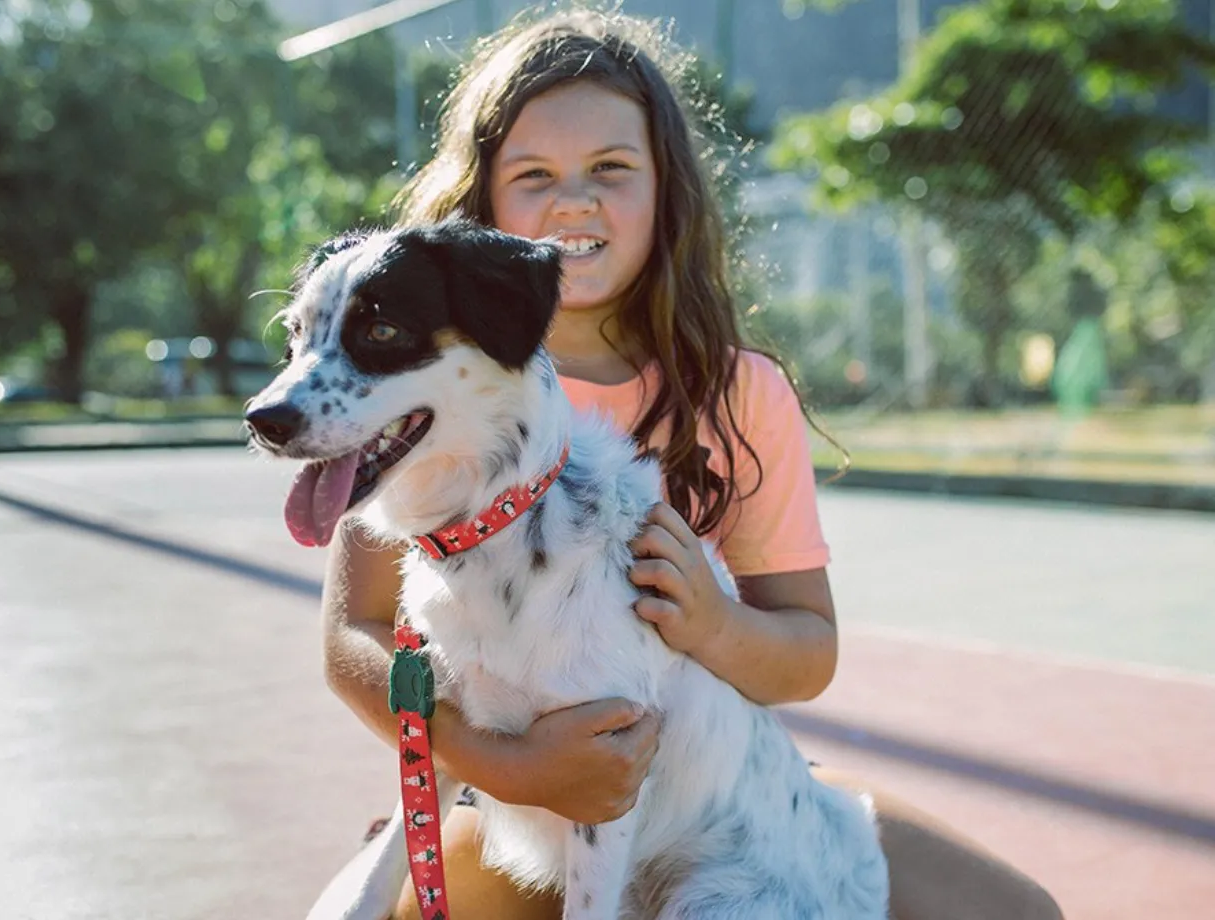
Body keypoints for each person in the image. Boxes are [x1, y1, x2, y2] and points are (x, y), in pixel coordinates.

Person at [314, 8, 1062, 919]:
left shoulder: (739, 392)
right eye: (534, 174)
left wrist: (712, 624)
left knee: (1016, 912)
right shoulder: (422, 390)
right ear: (484, 199)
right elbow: (356, 634)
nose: (575, 201)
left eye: (612, 170)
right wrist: (498, 762)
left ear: (668, 189)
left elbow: (807, 652)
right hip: (491, 791)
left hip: (711, 784)